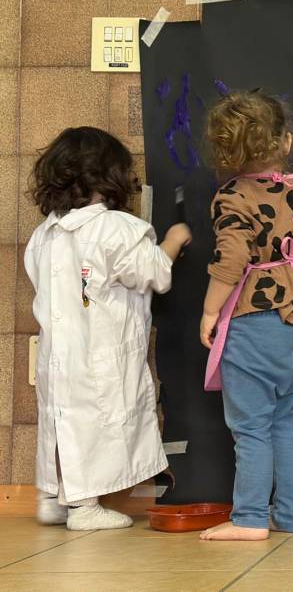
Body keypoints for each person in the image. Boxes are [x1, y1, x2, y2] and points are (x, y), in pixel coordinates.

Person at [25, 126, 191, 530]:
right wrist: (174, 240)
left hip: (58, 354)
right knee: (94, 424)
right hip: (99, 352)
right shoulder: (116, 228)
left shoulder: (44, 234)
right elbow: (154, 273)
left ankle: (53, 498)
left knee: (59, 422)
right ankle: (84, 508)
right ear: (110, 175)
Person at [199, 90, 293, 541]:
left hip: (251, 321)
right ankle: (290, 515)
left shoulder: (232, 196)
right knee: (286, 421)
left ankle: (250, 518)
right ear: (285, 141)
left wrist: (210, 310)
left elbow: (232, 259)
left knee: (251, 427)